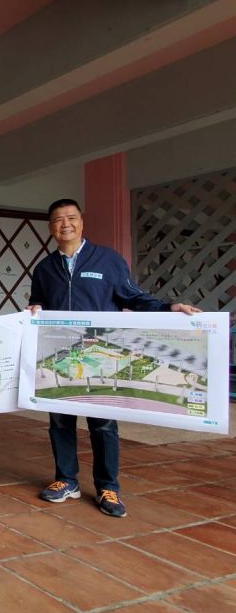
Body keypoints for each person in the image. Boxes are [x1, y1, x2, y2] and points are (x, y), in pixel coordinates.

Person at [29, 198, 201, 518]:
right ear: (51, 227)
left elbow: (134, 298)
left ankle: (108, 486)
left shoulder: (107, 260)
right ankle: (66, 480)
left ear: (82, 222)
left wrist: (169, 308)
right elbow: (37, 303)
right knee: (60, 421)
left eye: (71, 218)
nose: (65, 224)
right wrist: (35, 309)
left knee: (104, 424)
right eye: (58, 220)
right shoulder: (44, 268)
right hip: (58, 356)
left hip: (101, 356)